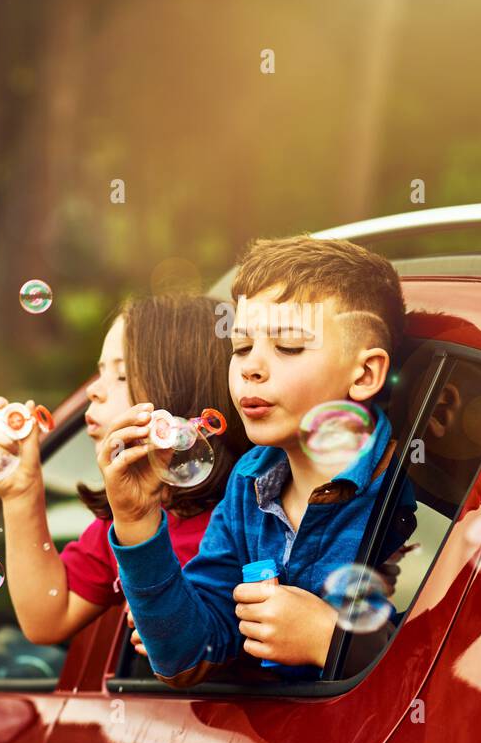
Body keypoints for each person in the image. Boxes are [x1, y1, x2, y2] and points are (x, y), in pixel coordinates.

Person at [100, 236, 413, 686]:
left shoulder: (412, 488)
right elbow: (186, 659)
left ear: (363, 374)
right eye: (242, 347)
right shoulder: (249, 483)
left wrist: (330, 639)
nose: (251, 368)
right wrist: (136, 521)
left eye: (287, 347)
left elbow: (443, 669)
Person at [0, 294, 248, 646]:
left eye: (122, 376)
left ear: (184, 397)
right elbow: (48, 618)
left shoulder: (243, 518)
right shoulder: (124, 522)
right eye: (100, 371)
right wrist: (21, 493)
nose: (93, 390)